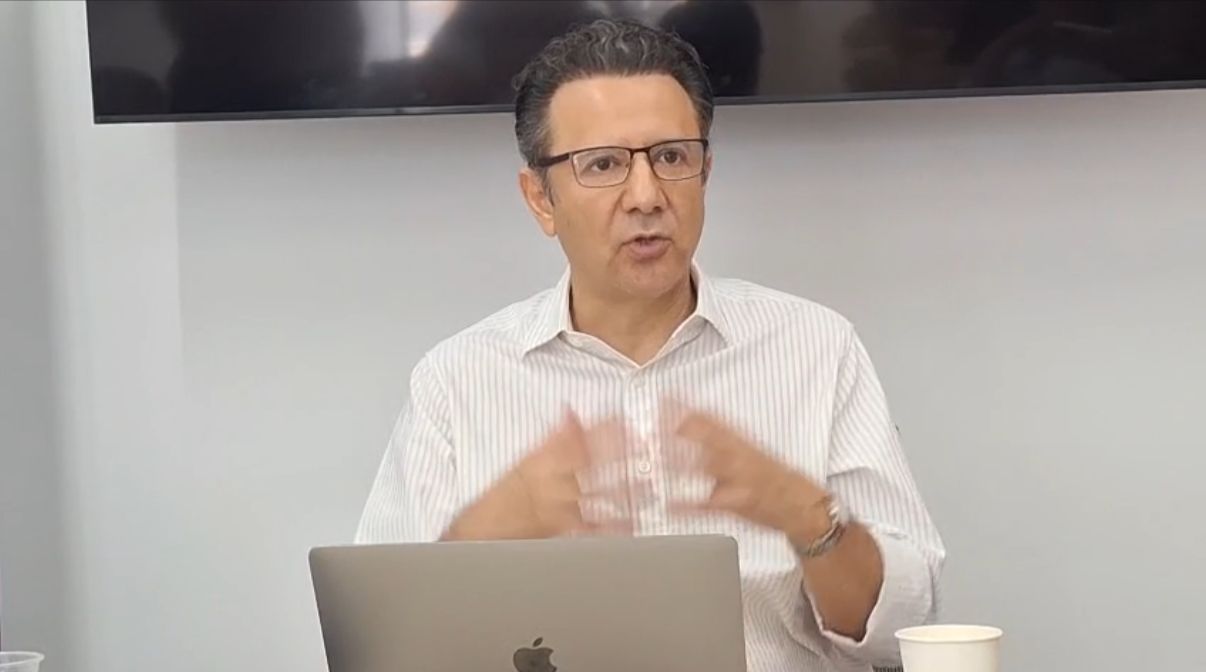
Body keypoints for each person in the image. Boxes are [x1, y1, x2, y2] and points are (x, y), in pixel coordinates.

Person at [356, 19, 945, 672]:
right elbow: (380, 653)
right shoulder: (456, 380)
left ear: (705, 172)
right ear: (540, 199)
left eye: (672, 157)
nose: (646, 197)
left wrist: (810, 520)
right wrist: (479, 538)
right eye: (603, 165)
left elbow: (909, 636)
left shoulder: (816, 348)